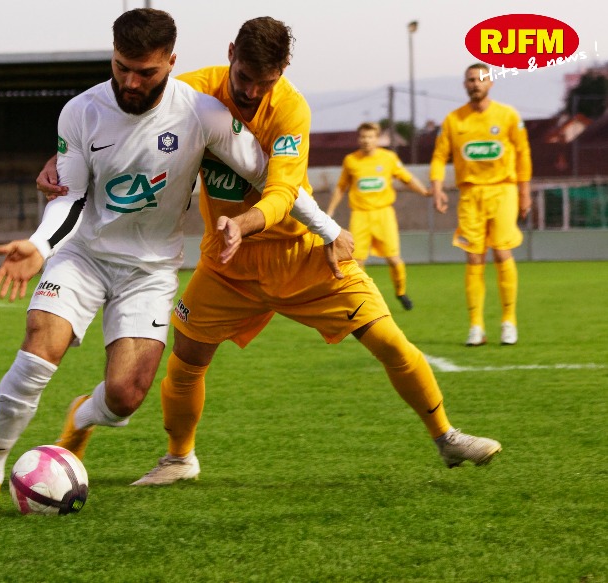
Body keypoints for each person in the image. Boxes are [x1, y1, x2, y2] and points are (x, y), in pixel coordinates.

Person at [40, 17, 502, 487]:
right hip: (228, 266)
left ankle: (446, 437)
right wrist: (61, 159)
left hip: (303, 255)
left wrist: (244, 223)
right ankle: (179, 458)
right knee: (187, 359)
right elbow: (121, 123)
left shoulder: (290, 110)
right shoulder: (191, 93)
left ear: (282, 72)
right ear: (230, 54)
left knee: (390, 342)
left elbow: (283, 191)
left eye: (266, 82)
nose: (253, 92)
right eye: (244, 77)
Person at [0, 8, 335, 504]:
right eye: (121, 67)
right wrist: (39, 245)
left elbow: (273, 177)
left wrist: (329, 230)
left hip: (150, 271)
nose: (131, 82)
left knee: (125, 397)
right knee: (38, 351)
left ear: (171, 62)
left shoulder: (204, 114)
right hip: (84, 255)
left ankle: (81, 417)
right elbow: (71, 196)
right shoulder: (80, 111)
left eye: (146, 71)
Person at [430, 63, 532, 346]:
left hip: (503, 191)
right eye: (471, 80)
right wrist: (437, 188)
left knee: (501, 252)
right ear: (465, 85)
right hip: (470, 195)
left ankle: (509, 322)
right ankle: (476, 326)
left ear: (491, 83)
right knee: (474, 257)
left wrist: (525, 192)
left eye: (480, 79)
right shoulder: (454, 120)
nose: (476, 83)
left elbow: (523, 154)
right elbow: (439, 156)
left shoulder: (508, 115)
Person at [326, 121, 431, 311]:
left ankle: (401, 292)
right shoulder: (351, 160)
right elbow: (341, 187)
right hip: (360, 215)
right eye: (363, 137)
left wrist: (424, 191)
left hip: (384, 214)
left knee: (394, 259)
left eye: (370, 137)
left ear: (377, 139)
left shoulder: (388, 158)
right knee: (357, 261)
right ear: (359, 139)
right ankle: (362, 298)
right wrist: (331, 209)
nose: (366, 140)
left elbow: (407, 178)